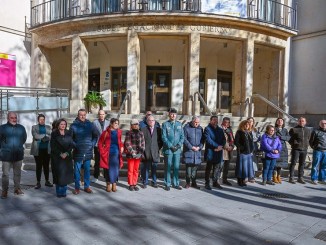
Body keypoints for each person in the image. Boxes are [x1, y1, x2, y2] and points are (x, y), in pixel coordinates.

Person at [70, 109, 98, 194]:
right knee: (77, 171)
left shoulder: (90, 125)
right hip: (78, 151)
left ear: (86, 115)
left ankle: (87, 187)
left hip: (88, 150)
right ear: (78, 115)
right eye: (81, 115)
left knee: (87, 170)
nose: (82, 116)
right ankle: (77, 188)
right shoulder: (73, 125)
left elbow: (95, 136)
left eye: (84, 115)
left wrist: (92, 144)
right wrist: (76, 145)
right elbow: (70, 139)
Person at [0, 112, 27, 199]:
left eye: (15, 117)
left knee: (17, 173)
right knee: (5, 174)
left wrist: (18, 147)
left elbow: (23, 139)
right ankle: (4, 191)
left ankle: (17, 189)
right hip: (6, 155)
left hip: (18, 154)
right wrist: (4, 148)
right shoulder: (2, 128)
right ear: (8, 118)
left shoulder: (21, 128)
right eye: (12, 118)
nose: (14, 119)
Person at [98, 118, 124, 192]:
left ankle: (114, 184)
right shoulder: (105, 132)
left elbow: (120, 142)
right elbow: (100, 143)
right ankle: (108, 184)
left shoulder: (119, 132)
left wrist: (122, 147)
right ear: (111, 124)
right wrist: (102, 151)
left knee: (116, 169)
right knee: (107, 170)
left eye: (117, 123)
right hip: (107, 154)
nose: (116, 125)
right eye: (115, 123)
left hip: (116, 154)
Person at [50, 119, 74, 197]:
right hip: (57, 157)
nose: (63, 126)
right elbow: (53, 146)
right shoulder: (54, 133)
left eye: (64, 124)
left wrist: (67, 153)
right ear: (58, 125)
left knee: (65, 175)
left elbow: (71, 145)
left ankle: (64, 192)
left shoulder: (69, 133)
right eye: (61, 124)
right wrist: (60, 154)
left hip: (67, 157)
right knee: (59, 175)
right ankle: (59, 192)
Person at [162, 108, 184, 191]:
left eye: (174, 114)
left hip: (177, 150)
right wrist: (171, 146)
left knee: (176, 167)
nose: (173, 115)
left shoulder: (179, 124)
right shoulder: (165, 124)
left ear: (176, 115)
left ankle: (175, 183)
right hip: (168, 149)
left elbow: (182, 137)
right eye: (171, 114)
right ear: (169, 115)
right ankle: (167, 183)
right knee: (167, 167)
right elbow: (164, 137)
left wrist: (178, 146)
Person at [30, 114, 53, 189]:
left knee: (46, 166)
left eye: (43, 119)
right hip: (38, 150)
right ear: (38, 120)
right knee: (39, 166)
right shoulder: (34, 127)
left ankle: (47, 181)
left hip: (47, 150)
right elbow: (35, 136)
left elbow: (51, 136)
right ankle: (38, 182)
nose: (42, 121)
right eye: (40, 119)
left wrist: (43, 136)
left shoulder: (48, 127)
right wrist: (45, 135)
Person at [141, 115, 163, 188]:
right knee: (146, 168)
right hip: (146, 152)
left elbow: (161, 141)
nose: (151, 122)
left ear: (155, 121)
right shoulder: (143, 129)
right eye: (149, 120)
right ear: (147, 122)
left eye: (152, 120)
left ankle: (154, 181)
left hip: (155, 152)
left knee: (154, 168)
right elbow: (142, 141)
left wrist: (157, 148)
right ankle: (145, 182)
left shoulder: (158, 130)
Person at [204, 115, 226, 190]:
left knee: (217, 168)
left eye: (216, 120)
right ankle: (207, 183)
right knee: (208, 168)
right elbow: (208, 140)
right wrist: (217, 146)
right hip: (211, 152)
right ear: (210, 120)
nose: (215, 121)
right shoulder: (207, 129)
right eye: (214, 120)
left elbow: (224, 139)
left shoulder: (220, 129)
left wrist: (221, 146)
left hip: (218, 152)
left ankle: (215, 182)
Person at [183, 116, 204, 189]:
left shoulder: (200, 129)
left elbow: (202, 140)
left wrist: (199, 147)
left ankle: (194, 183)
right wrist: (191, 147)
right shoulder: (186, 128)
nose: (196, 124)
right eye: (195, 122)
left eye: (198, 122)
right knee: (188, 171)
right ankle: (188, 183)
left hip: (197, 152)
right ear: (192, 121)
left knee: (194, 170)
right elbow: (184, 139)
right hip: (189, 151)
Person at [124, 119, 145, 191]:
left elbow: (143, 144)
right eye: (135, 124)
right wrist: (132, 152)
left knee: (136, 170)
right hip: (131, 155)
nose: (136, 125)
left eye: (137, 124)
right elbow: (127, 143)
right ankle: (131, 184)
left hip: (138, 155)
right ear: (131, 125)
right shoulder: (128, 133)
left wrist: (140, 153)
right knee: (130, 170)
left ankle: (135, 183)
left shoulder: (141, 133)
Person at [288, 117, 311, 184]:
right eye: (300, 121)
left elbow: (308, 138)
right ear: (298, 122)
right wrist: (295, 144)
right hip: (296, 149)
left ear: (305, 122)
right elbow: (289, 139)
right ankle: (291, 177)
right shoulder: (293, 129)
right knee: (293, 163)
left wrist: (307, 144)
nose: (301, 122)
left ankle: (300, 177)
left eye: (303, 121)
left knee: (302, 164)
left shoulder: (308, 130)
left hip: (304, 149)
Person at [234, 120, 255, 187]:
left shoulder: (249, 132)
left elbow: (251, 142)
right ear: (242, 125)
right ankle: (239, 180)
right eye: (245, 124)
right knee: (241, 167)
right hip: (242, 152)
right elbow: (236, 142)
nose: (247, 126)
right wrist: (242, 148)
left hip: (248, 153)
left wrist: (251, 149)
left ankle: (243, 180)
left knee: (246, 168)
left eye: (248, 125)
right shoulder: (239, 132)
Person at [92, 110, 110, 183]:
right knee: (97, 161)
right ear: (98, 115)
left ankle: (106, 176)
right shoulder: (94, 123)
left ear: (105, 115)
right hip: (97, 144)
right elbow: (93, 133)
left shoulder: (108, 123)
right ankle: (95, 176)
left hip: (106, 146)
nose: (101, 115)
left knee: (106, 161)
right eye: (100, 114)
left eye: (103, 114)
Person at [309, 120, 326, 185]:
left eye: (325, 123)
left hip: (325, 151)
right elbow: (311, 141)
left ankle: (322, 179)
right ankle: (314, 179)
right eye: (322, 123)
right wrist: (315, 148)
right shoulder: (315, 131)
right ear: (320, 124)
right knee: (315, 165)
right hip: (318, 151)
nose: (324, 124)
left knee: (324, 166)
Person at [274, 118, 291, 184]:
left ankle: (279, 176)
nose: (280, 122)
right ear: (276, 122)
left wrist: (281, 137)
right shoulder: (274, 129)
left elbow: (288, 137)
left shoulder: (285, 130)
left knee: (280, 163)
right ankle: (274, 176)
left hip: (283, 148)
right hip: (276, 147)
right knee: (275, 163)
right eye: (279, 121)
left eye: (281, 121)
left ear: (283, 122)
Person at [221, 117, 235, 186]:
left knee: (226, 166)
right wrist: (225, 146)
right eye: (226, 122)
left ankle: (225, 179)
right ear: (223, 122)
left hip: (229, 151)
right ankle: (216, 180)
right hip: (222, 150)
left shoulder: (229, 130)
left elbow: (232, 140)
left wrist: (232, 147)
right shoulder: (220, 129)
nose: (227, 123)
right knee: (219, 166)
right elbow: (219, 140)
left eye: (228, 122)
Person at [247, 117, 261, 182]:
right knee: (247, 162)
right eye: (249, 121)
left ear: (253, 122)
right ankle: (247, 176)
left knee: (253, 162)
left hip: (254, 148)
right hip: (247, 148)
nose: (250, 122)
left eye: (251, 121)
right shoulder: (245, 129)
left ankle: (252, 176)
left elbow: (259, 138)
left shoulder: (255, 130)